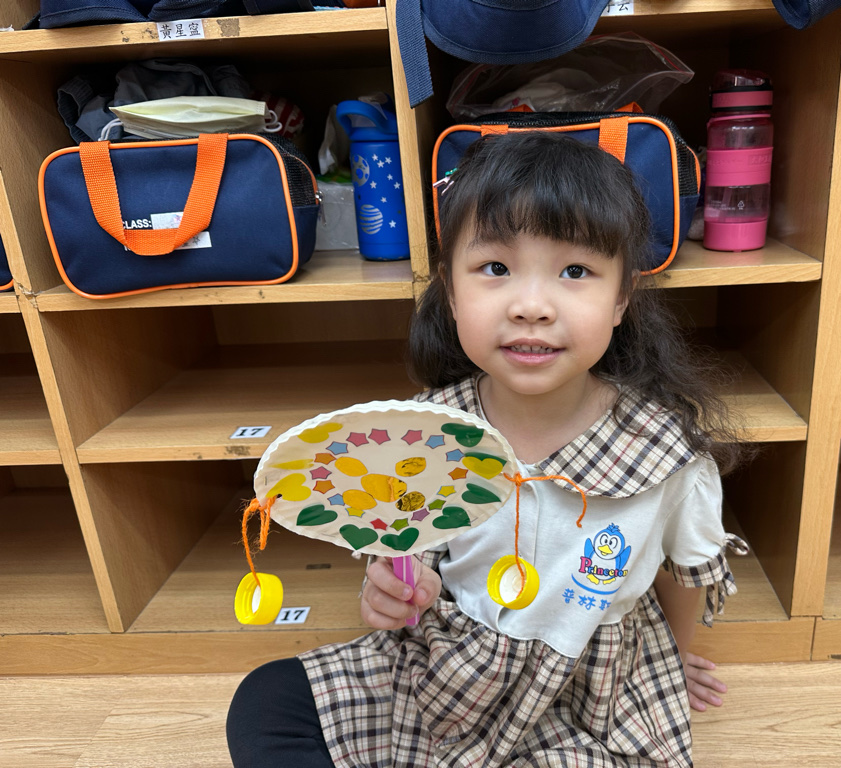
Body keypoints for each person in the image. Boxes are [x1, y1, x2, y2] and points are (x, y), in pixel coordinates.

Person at [227, 131, 746, 767]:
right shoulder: (428, 431)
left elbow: (686, 572)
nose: (531, 306)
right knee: (266, 700)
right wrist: (387, 592)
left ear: (621, 299)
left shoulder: (665, 452)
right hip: (449, 665)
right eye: (496, 269)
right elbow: (405, 549)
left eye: (575, 271)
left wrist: (674, 656)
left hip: (590, 695)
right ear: (451, 291)